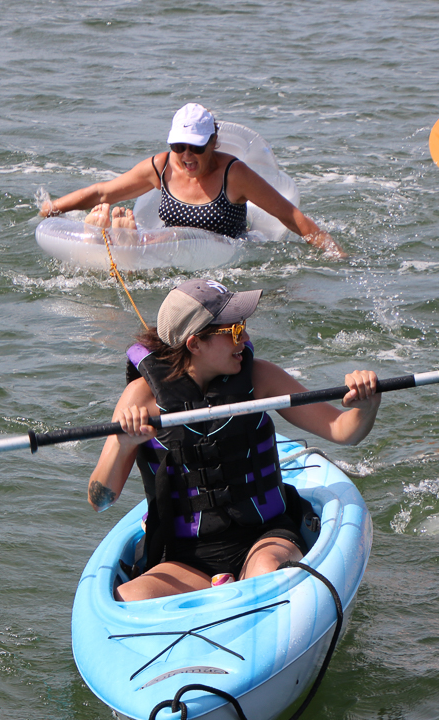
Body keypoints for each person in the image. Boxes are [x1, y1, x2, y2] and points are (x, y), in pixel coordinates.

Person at [88, 278, 380, 601]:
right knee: (129, 597)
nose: (246, 339)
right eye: (234, 332)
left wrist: (366, 405)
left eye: (243, 327)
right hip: (186, 559)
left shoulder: (259, 378)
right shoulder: (138, 400)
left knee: (267, 574)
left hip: (264, 537)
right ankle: (222, 590)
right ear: (195, 343)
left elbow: (342, 429)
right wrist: (124, 444)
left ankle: (238, 589)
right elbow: (100, 499)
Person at [39, 103, 346, 258]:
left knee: (159, 239)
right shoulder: (161, 167)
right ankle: (108, 236)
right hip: (167, 249)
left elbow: (288, 214)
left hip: (222, 250)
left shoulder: (234, 175)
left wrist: (334, 253)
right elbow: (103, 191)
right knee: (154, 237)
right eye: (178, 146)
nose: (186, 156)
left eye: (196, 147)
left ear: (213, 142)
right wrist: (54, 208)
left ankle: (121, 238)